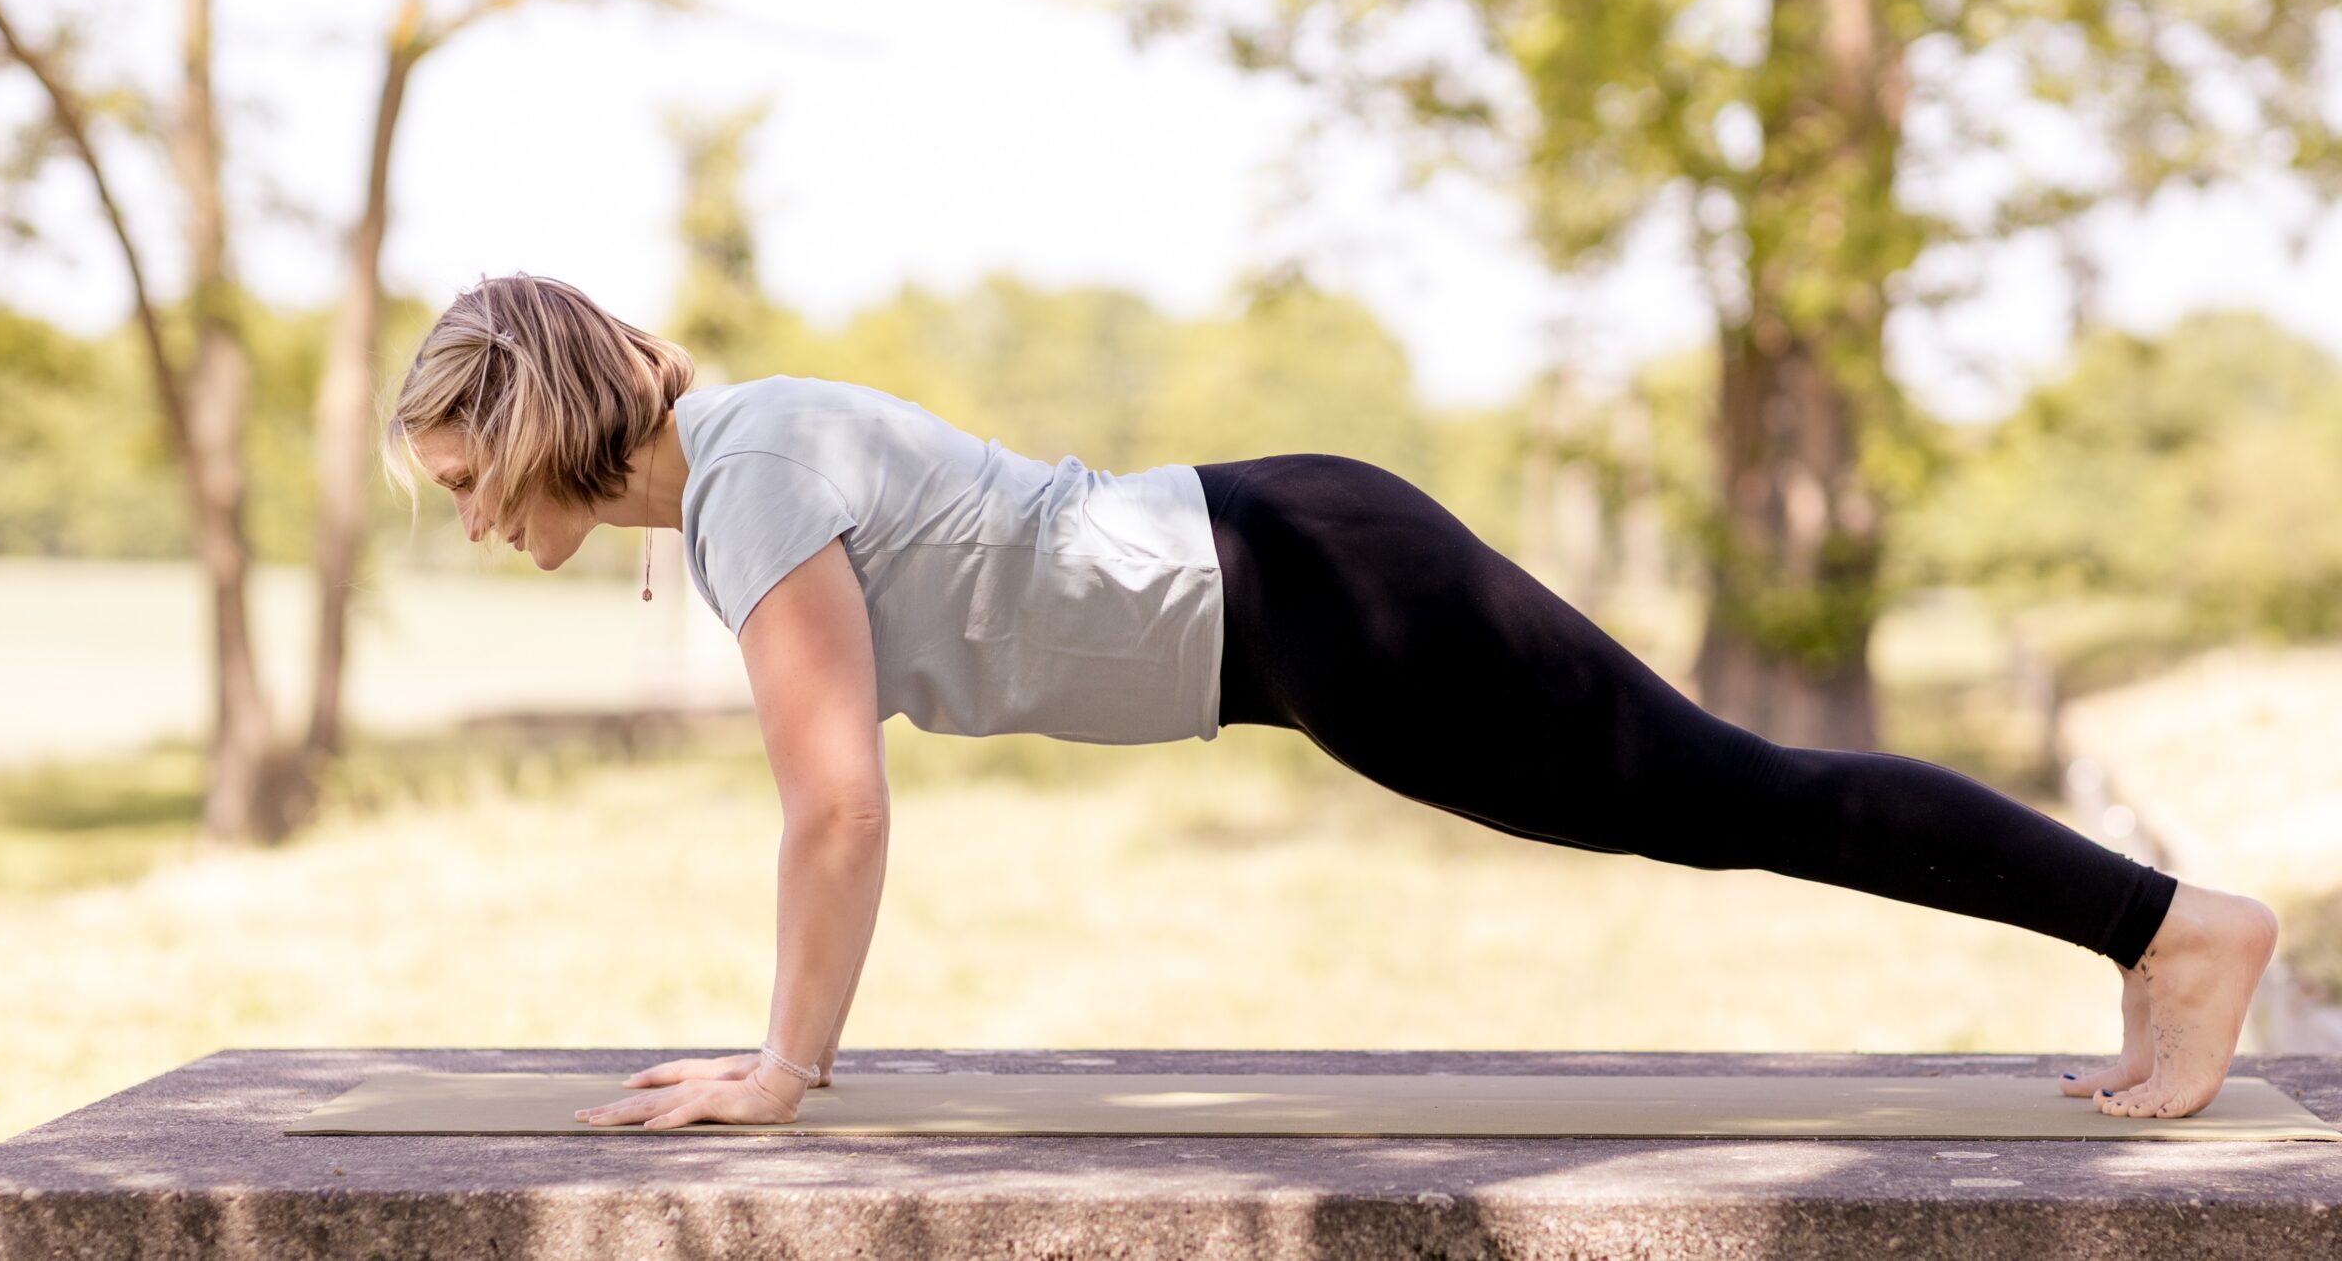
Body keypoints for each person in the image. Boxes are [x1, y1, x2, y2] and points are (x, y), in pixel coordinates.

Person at [383, 272, 2280, 1133]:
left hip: (1316, 596)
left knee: (1739, 794)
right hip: (1297, 594)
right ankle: (2152, 931)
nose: (471, 519)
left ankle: (2179, 926)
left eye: (472, 477)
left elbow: (836, 806)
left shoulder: (751, 476)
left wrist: (788, 1072)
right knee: (1733, 792)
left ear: (547, 424)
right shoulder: (742, 462)